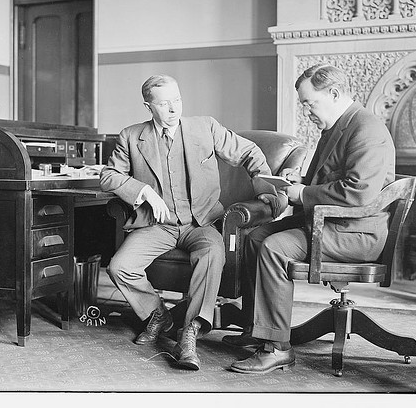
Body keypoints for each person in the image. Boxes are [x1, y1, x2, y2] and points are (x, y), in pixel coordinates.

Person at [100, 74, 281, 371]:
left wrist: (263, 186)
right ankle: (157, 315)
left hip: (201, 224)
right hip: (157, 226)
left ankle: (191, 331)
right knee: (120, 267)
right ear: (149, 107)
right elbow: (109, 176)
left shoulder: (205, 127)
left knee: (212, 253)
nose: (173, 109)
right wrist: (143, 191)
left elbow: (249, 152)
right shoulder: (132, 136)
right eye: (164, 103)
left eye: (177, 100)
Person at [225, 64, 396, 374]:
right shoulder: (338, 127)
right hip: (332, 222)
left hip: (355, 232)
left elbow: (357, 193)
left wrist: (302, 193)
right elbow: (329, 179)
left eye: (309, 102)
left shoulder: (367, 129)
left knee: (275, 248)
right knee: (256, 237)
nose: (306, 111)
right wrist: (297, 179)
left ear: (333, 93)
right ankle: (258, 329)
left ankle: (277, 347)